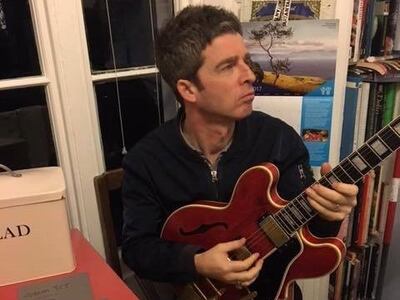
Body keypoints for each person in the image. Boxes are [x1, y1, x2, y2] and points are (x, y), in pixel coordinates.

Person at [121, 5, 358, 299]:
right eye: (228, 66)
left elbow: (310, 236)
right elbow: (136, 249)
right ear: (188, 90)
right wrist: (196, 263)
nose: (250, 75)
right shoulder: (145, 161)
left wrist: (331, 213)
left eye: (246, 61)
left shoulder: (278, 139)